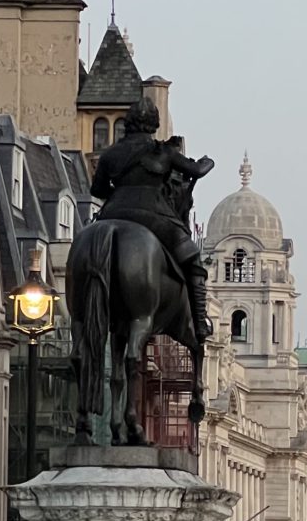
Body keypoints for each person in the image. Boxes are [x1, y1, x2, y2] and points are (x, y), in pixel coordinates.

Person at [89, 100, 216, 343]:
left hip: (112, 213)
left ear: (129, 123)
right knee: (193, 260)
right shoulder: (163, 151)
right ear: (154, 125)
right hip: (153, 216)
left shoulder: (110, 154)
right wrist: (208, 162)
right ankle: (199, 322)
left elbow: (98, 188)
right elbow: (196, 171)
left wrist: (120, 194)